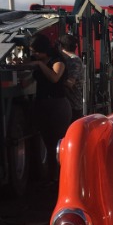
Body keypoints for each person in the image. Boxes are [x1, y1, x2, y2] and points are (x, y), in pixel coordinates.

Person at [27, 33, 72, 180]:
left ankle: (63, 176)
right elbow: (31, 80)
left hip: (57, 106)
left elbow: (54, 78)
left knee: (58, 144)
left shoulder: (57, 61)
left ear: (43, 49)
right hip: (42, 104)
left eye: (35, 51)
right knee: (48, 144)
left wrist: (40, 65)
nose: (34, 54)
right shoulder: (37, 62)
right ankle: (53, 177)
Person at [58, 33, 84, 121]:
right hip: (69, 105)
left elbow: (70, 83)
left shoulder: (74, 61)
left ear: (61, 46)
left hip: (73, 105)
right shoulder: (67, 60)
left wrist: (54, 78)